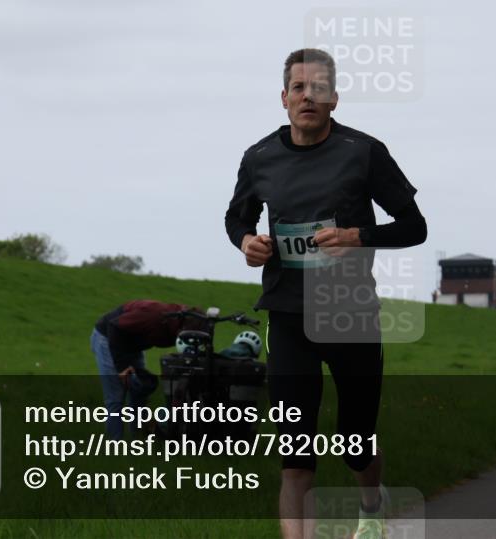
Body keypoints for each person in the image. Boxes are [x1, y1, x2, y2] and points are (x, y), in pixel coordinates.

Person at [225, 48, 427, 539]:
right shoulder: (259, 158)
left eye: (318, 88)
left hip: (351, 315)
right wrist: (247, 242)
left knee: (355, 441)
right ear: (284, 98)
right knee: (295, 455)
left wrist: (358, 236)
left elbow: (414, 227)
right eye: (298, 88)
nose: (307, 96)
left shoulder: (364, 152)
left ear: (334, 98)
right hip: (288, 316)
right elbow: (237, 218)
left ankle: (371, 508)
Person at [90, 300, 206, 439]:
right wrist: (121, 368)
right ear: (182, 328)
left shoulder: (186, 324)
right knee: (116, 397)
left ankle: (138, 440)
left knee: (139, 391)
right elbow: (114, 327)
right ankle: (115, 446)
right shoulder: (154, 316)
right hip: (108, 339)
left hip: (133, 344)